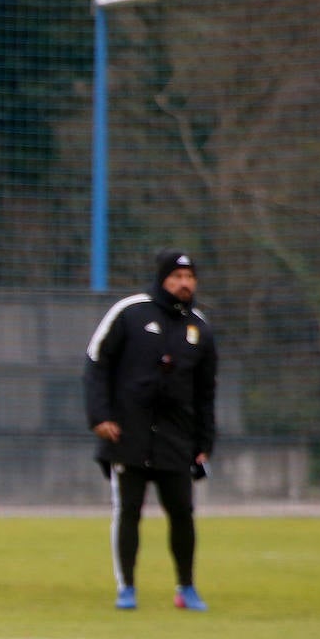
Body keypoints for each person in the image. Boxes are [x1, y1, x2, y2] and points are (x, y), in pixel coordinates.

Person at [83, 248, 217, 612]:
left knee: (182, 512)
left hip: (177, 439)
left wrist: (204, 442)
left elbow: (206, 392)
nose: (184, 284)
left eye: (189, 277)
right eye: (177, 277)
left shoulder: (199, 328)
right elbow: (97, 362)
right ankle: (126, 587)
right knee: (128, 510)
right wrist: (100, 416)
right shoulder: (131, 312)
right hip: (128, 434)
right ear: (162, 279)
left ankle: (186, 588)